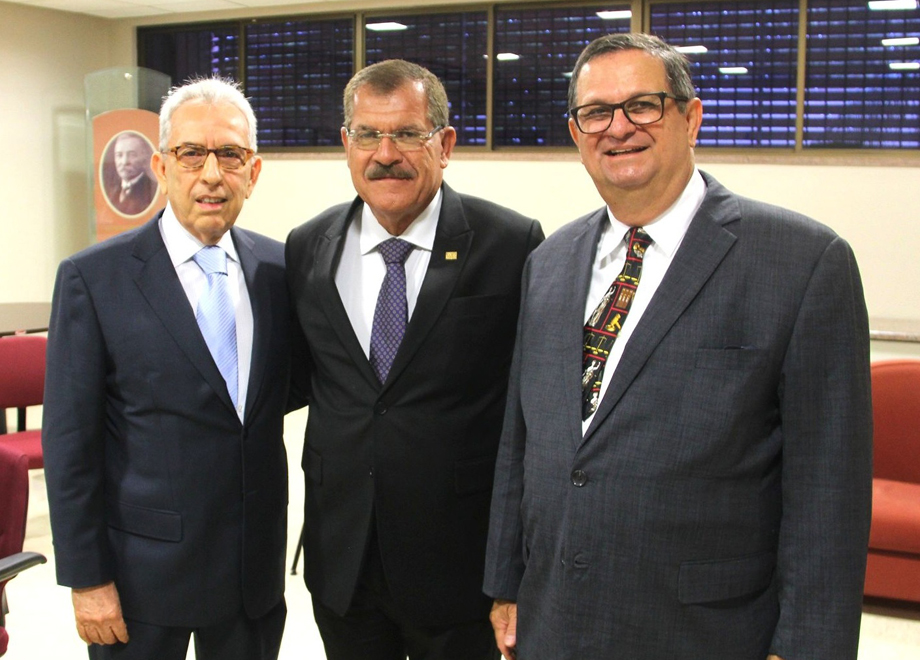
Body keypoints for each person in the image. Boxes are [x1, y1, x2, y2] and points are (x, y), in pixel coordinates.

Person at [483, 33, 872, 660]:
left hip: (707, 631)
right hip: (556, 618)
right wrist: (507, 583)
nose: (619, 128)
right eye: (596, 113)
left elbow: (829, 488)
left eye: (643, 105)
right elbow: (519, 438)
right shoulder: (549, 261)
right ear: (577, 133)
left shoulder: (803, 261)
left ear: (691, 118)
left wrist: (806, 648)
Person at [286, 59, 544, 660]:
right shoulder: (307, 246)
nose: (386, 154)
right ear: (346, 144)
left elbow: (531, 415)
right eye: (368, 135)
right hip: (344, 560)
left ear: (445, 144)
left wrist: (517, 567)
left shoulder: (510, 244)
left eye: (407, 133)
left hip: (457, 567)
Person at [43, 77, 300, 660]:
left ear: (252, 172)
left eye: (230, 154)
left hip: (250, 576)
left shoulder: (281, 270)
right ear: (161, 166)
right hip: (140, 581)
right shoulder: (94, 278)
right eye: (191, 153)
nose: (212, 174)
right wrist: (87, 580)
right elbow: (69, 443)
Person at [104, 131, 158, 215]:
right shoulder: (112, 192)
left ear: (144, 157)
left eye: (132, 155)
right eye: (119, 155)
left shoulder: (151, 190)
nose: (124, 162)